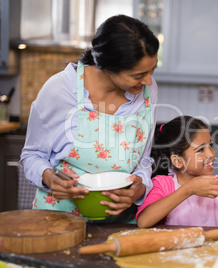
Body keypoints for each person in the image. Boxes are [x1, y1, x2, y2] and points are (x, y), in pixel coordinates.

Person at [20, 15, 160, 223]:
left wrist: (141, 185)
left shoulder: (147, 92)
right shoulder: (60, 89)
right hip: (59, 221)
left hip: (118, 222)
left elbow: (144, 160)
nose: (148, 80)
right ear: (108, 66)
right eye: (138, 75)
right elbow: (32, 155)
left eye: (152, 70)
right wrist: (49, 177)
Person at [135, 115, 218, 228]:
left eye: (211, 145)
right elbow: (143, 222)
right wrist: (188, 190)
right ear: (178, 161)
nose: (211, 154)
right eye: (201, 149)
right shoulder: (162, 184)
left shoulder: (217, 185)